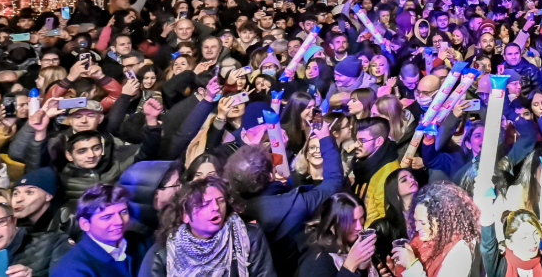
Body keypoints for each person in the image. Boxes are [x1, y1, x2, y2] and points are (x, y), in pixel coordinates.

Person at [224, 116, 345, 274]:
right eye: (273, 167)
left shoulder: (229, 209)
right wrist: (325, 139)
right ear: (270, 176)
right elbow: (334, 182)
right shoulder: (295, 204)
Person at [142, 175, 277, 277]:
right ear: (185, 215)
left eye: (220, 200)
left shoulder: (248, 237)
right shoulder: (161, 256)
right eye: (205, 204)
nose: (216, 207)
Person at [52, 185, 145, 277]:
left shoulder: (140, 241)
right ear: (85, 224)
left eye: (124, 212)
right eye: (107, 217)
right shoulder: (70, 270)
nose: (119, 221)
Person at [298, 192, 377, 277]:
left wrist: (364, 270)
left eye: (361, 218)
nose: (359, 227)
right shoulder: (316, 262)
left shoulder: (352, 242)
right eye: (352, 222)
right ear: (332, 226)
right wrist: (349, 266)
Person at [480, 207, 542, 277]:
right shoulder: (500, 266)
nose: (533, 241)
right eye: (524, 237)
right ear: (510, 243)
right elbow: (488, 248)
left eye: (536, 233)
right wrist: (487, 211)